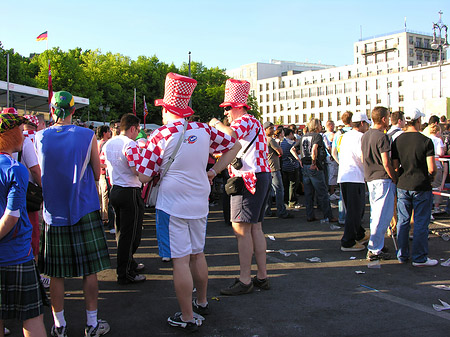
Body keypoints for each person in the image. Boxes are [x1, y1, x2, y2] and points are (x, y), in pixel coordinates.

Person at [137, 73, 240, 332]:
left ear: (166, 109)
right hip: (199, 200)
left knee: (180, 261)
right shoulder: (203, 129)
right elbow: (234, 145)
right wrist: (214, 171)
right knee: (198, 254)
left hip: (172, 204)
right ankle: (202, 301)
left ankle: (186, 316)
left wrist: (132, 156)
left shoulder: (160, 135)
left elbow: (143, 176)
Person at [35, 91, 111, 337]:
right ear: (73, 110)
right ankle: (91, 324)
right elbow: (98, 174)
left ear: (52, 108)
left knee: (56, 273)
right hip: (84, 208)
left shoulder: (39, 137)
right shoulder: (88, 135)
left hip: (52, 212)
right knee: (89, 271)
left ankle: (59, 327)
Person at [209, 78, 271, 296]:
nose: (226, 113)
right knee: (255, 228)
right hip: (260, 175)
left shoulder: (243, 121)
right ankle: (261, 277)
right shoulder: (253, 122)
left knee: (241, 229)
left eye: (226, 109)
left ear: (236, 107)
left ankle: (245, 280)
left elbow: (230, 136)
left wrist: (215, 124)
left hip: (248, 178)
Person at [0, 113, 47, 337]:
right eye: (19, 130)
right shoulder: (15, 168)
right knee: (32, 318)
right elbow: (12, 216)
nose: (23, 134)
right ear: (9, 135)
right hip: (16, 254)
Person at [103, 114, 146, 285]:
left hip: (116, 188)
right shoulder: (130, 144)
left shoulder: (109, 143)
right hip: (129, 190)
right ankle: (125, 271)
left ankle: (128, 263)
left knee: (122, 232)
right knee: (132, 234)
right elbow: (136, 169)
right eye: (138, 130)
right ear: (133, 128)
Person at [392, 108, 438, 266]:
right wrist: (432, 177)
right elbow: (431, 168)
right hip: (421, 184)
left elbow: (395, 166)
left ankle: (402, 254)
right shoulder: (426, 141)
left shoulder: (397, 140)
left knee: (403, 221)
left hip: (403, 183)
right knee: (420, 222)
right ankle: (419, 257)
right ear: (418, 121)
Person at [361, 106, 397, 261]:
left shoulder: (365, 135)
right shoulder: (382, 137)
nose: (389, 120)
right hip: (382, 177)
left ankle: (377, 245)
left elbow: (363, 158)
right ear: (383, 119)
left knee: (376, 213)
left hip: (370, 177)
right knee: (383, 215)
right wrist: (394, 176)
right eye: (388, 117)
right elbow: (386, 162)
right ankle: (375, 248)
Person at [337, 112, 371, 251]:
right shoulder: (361, 137)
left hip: (345, 176)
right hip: (355, 177)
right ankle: (348, 241)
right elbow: (362, 157)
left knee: (354, 209)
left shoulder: (344, 136)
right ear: (362, 123)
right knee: (355, 211)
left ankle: (358, 233)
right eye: (367, 123)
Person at [300, 118, 337, 222]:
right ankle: (328, 216)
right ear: (317, 126)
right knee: (323, 193)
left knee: (308, 194)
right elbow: (314, 149)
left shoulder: (304, 136)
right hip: (314, 166)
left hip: (305, 166)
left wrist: (300, 160)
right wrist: (314, 162)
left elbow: (294, 149)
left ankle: (310, 215)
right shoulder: (317, 136)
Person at [264, 121, 292, 218]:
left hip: (266, 168)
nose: (273, 130)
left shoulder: (261, 139)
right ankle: (281, 211)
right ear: (265, 129)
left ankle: (267, 211)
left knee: (267, 191)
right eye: (270, 128)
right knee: (279, 190)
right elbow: (280, 151)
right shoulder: (270, 140)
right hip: (274, 168)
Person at [280, 128, 301, 209]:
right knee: (292, 184)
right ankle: (292, 201)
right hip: (292, 165)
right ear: (291, 134)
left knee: (285, 184)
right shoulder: (292, 144)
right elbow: (297, 151)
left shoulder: (282, 143)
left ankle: (285, 201)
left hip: (284, 166)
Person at [323, 120, 338, 200]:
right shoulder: (332, 135)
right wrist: (333, 154)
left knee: (329, 174)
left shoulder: (324, 135)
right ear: (331, 126)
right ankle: (332, 192)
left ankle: (331, 191)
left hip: (326, 157)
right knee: (333, 175)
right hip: (331, 157)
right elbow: (329, 147)